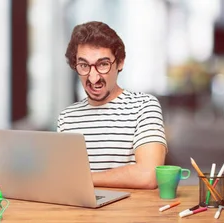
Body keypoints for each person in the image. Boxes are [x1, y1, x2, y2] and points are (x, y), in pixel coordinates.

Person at [56, 21, 166, 189]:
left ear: (120, 62)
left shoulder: (144, 106)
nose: (93, 78)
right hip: (81, 214)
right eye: (84, 65)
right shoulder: (67, 117)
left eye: (103, 64)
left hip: (130, 214)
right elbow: (64, 180)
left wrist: (84, 179)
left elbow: (148, 175)